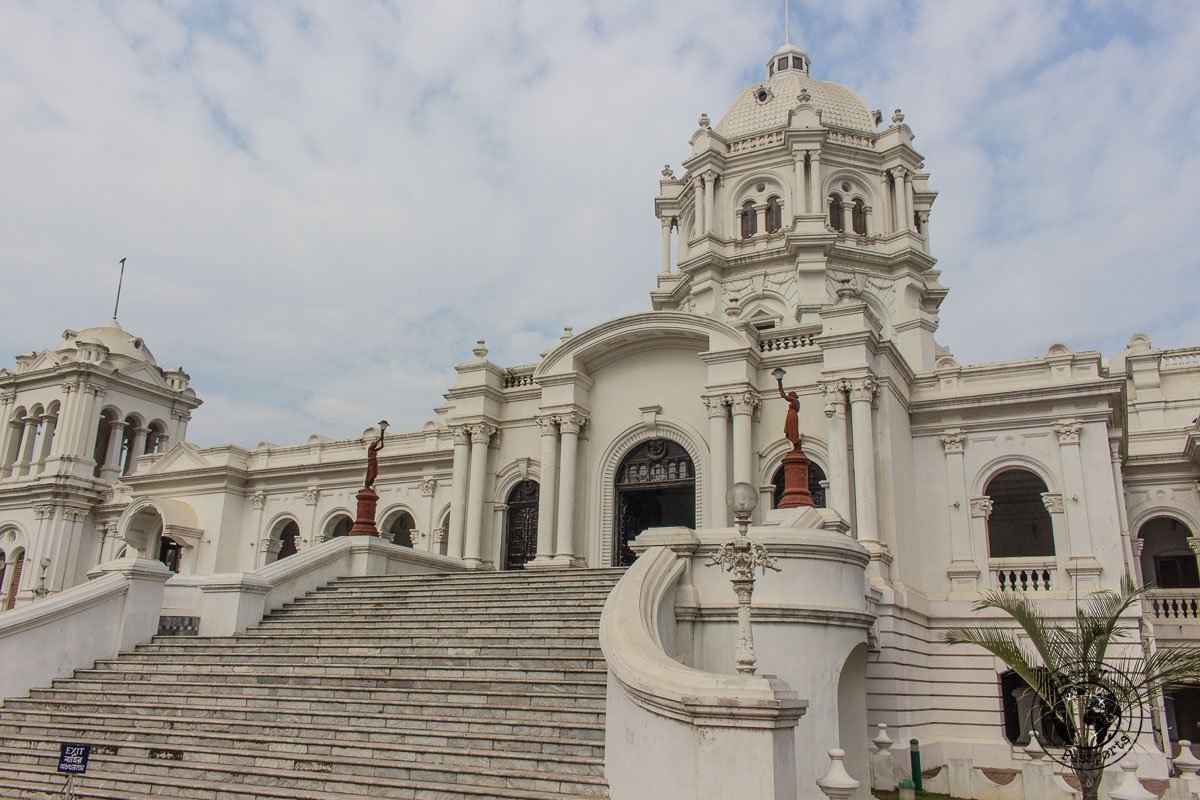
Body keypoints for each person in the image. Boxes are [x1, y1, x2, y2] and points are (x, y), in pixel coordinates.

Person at [364, 420, 389, 489]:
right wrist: (379, 439)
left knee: (375, 473)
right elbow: (375, 444)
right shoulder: (370, 448)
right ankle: (367, 485)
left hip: (374, 461)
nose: (373, 444)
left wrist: (382, 439)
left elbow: (381, 447)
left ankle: (369, 485)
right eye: (373, 443)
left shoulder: (374, 450)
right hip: (371, 461)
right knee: (372, 474)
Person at [777, 380, 801, 450]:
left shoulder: (793, 400)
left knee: (792, 431)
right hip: (793, 415)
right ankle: (795, 444)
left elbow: (783, 396)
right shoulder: (797, 401)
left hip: (791, 416)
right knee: (793, 431)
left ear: (792, 396)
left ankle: (795, 443)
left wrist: (779, 383)